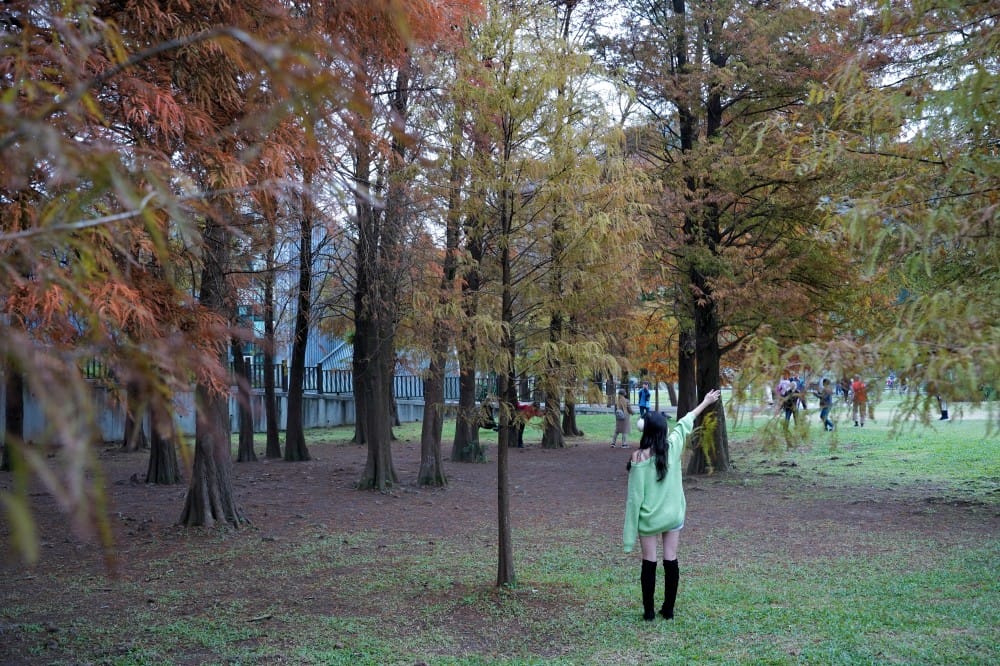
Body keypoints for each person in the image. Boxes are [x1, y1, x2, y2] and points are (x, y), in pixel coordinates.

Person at [623, 388, 722, 621]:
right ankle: (668, 610)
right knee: (671, 558)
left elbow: (634, 499)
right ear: (663, 431)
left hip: (649, 519)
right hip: (673, 515)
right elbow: (687, 420)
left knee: (649, 561)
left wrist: (628, 537)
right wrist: (706, 402)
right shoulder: (674, 445)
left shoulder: (638, 458)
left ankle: (648, 612)